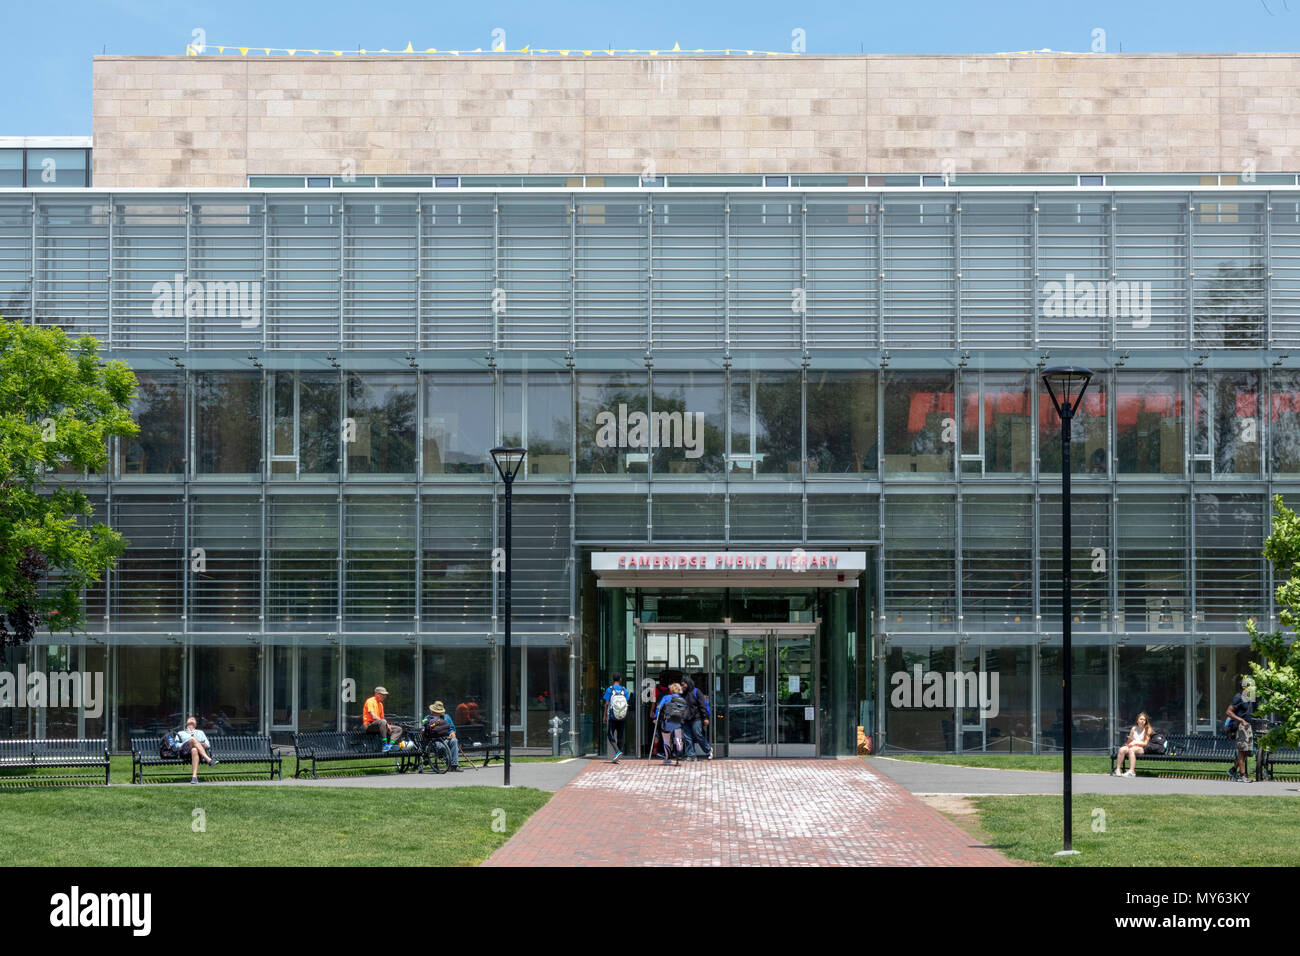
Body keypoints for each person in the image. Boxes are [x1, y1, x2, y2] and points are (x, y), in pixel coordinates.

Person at [1226, 678, 1255, 782]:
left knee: (1248, 751)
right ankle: (1243, 775)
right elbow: (1229, 712)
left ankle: (1233, 770)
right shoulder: (1238, 697)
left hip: (1248, 726)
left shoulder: (1249, 697)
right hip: (1241, 727)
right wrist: (1242, 720)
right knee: (1242, 751)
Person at [176, 716, 219, 784]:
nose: (192, 719)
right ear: (186, 723)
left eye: (194, 719)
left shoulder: (200, 732)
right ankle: (208, 760)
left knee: (194, 749)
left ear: (196, 724)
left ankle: (194, 777)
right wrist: (188, 742)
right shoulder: (180, 733)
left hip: (198, 753)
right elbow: (177, 745)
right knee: (192, 739)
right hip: (185, 751)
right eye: (190, 719)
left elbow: (208, 744)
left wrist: (203, 745)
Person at [654, 682, 688, 767]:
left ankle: (668, 759)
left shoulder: (666, 697)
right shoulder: (682, 700)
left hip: (667, 722)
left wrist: (655, 717)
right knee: (678, 740)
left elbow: (659, 707)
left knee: (666, 741)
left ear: (671, 690)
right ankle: (678, 758)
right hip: (678, 723)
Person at [680, 675, 713, 761]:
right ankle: (691, 755)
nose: (682, 686)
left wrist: (705, 717)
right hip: (685, 718)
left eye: (683, 684)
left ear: (688, 683)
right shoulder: (682, 694)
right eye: (681, 685)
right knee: (687, 738)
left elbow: (702, 705)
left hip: (696, 718)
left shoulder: (696, 692)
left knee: (698, 735)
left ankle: (708, 750)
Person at [362, 686, 404, 751]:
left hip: (380, 726)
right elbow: (373, 716)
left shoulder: (380, 704)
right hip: (369, 726)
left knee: (398, 729)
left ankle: (389, 746)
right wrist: (386, 724)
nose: (384, 696)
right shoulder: (370, 701)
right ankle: (384, 744)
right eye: (382, 695)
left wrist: (388, 725)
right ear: (376, 694)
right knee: (383, 722)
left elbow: (382, 718)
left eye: (385, 695)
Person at [421, 701, 461, 771]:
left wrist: (452, 732)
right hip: (435, 740)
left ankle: (454, 765)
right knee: (441, 746)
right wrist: (423, 728)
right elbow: (423, 724)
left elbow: (451, 728)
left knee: (454, 741)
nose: (438, 713)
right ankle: (449, 764)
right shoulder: (427, 718)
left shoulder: (446, 717)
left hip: (447, 738)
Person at [602, 674, 633, 763]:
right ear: (620, 679)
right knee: (620, 735)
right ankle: (617, 756)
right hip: (622, 716)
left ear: (613, 679)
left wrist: (604, 716)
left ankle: (617, 751)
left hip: (612, 716)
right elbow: (626, 703)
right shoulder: (624, 690)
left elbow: (607, 704)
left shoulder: (609, 689)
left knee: (610, 734)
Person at [1113, 712, 1152, 777]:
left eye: (1144, 720)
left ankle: (1131, 771)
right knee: (1122, 749)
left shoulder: (1148, 729)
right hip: (1132, 745)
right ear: (1137, 720)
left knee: (1131, 750)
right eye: (1141, 719)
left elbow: (1145, 743)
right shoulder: (1133, 728)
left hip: (1142, 748)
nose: (1142, 721)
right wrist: (1128, 744)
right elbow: (1130, 740)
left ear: (1146, 721)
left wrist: (1135, 743)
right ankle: (1118, 769)